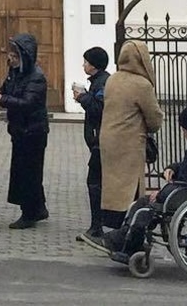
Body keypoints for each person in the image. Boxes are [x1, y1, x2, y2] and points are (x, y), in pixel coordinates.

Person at [103, 104, 187, 261]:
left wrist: (161, 194)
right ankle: (125, 238)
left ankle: (128, 244)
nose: (182, 132)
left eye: (183, 128)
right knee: (143, 203)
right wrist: (172, 168)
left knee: (144, 208)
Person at [92, 40, 163, 244]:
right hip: (129, 143)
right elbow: (154, 118)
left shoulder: (113, 79)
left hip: (108, 139)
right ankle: (129, 233)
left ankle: (111, 227)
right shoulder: (141, 85)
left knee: (113, 185)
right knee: (130, 188)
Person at [0, 32, 49, 229]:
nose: (11, 59)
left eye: (15, 56)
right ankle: (38, 208)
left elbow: (27, 103)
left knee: (28, 173)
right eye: (10, 55)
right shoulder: (15, 73)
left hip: (32, 131)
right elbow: (7, 92)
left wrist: (1, 99)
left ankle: (29, 213)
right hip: (20, 130)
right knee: (25, 171)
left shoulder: (36, 77)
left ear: (24, 57)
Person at [72, 46, 110, 248]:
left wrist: (82, 97)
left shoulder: (103, 82)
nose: (83, 65)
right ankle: (99, 225)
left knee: (94, 182)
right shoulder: (99, 81)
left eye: (86, 62)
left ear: (94, 65)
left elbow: (99, 109)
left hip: (100, 141)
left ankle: (97, 227)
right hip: (97, 139)